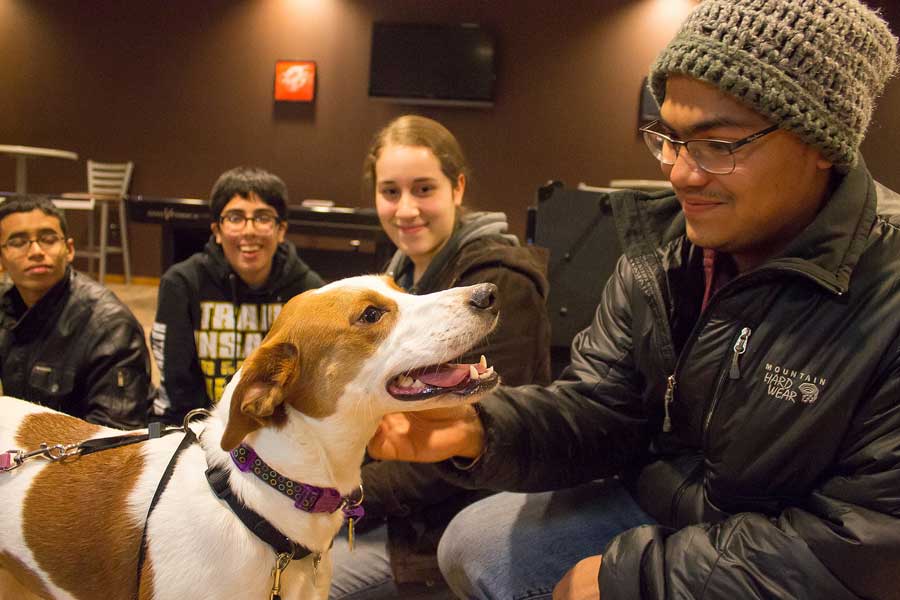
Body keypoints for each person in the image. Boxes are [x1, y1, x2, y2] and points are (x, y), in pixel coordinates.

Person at [365, 2, 900, 599]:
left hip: (794, 547)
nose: (679, 174)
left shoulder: (885, 289)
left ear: (820, 141)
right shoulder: (667, 250)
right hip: (671, 508)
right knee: (480, 542)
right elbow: (602, 407)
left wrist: (637, 580)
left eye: (717, 144)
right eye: (668, 138)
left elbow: (869, 545)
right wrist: (482, 428)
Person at [329, 115, 552, 599]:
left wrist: (338, 504)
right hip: (391, 499)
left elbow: (459, 448)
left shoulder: (501, 282)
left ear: (458, 187)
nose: (406, 209)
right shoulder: (395, 277)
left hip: (452, 519)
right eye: (390, 192)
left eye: (423, 189)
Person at [150, 166, 323, 424]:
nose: (249, 230)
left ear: (281, 230)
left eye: (263, 218)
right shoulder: (182, 284)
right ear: (217, 231)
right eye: (235, 218)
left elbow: (312, 387)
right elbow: (177, 386)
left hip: (280, 432)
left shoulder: (309, 292)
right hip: (199, 428)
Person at [0, 196, 152, 429]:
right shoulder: (6, 305)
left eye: (48, 239)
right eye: (19, 242)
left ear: (69, 249)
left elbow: (113, 439)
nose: (36, 251)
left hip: (78, 458)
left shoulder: (110, 325)